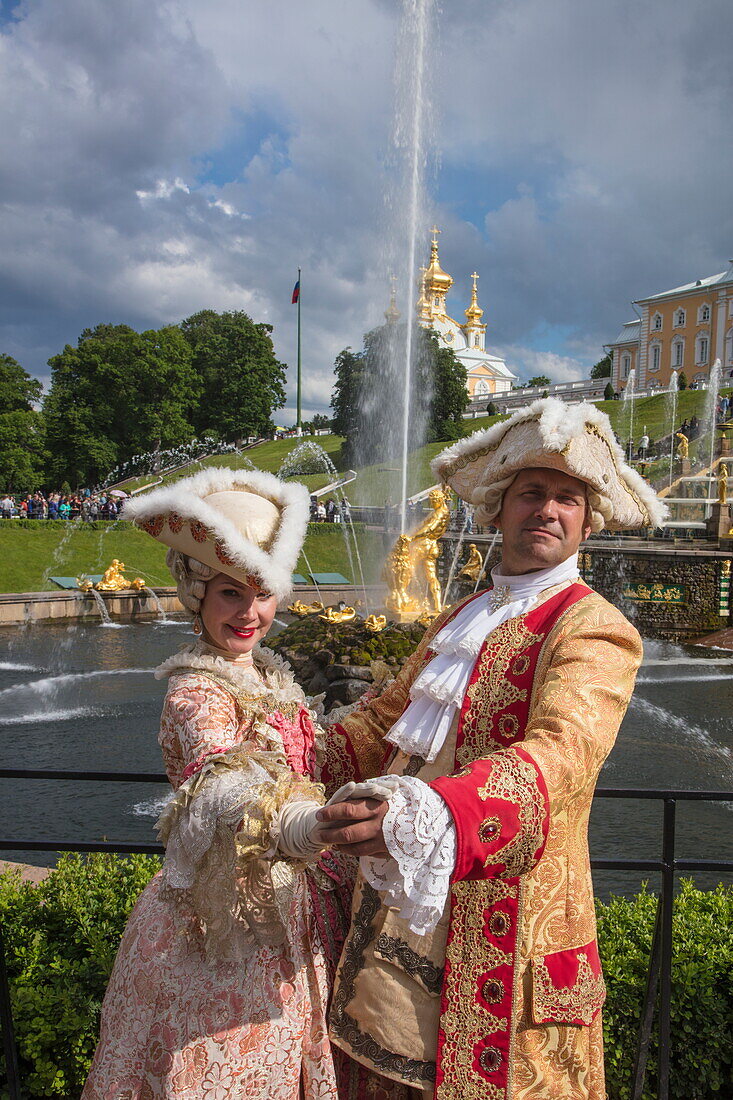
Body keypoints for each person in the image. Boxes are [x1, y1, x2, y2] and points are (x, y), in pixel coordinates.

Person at [316, 398, 667, 1099]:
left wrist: (438, 812)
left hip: (509, 939)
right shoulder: (461, 614)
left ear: (587, 522)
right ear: (498, 511)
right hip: (403, 919)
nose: (546, 509)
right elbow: (382, 726)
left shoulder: (593, 627)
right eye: (530, 493)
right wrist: (276, 748)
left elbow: (563, 752)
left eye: (566, 498)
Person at [82, 468, 378, 1100]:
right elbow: (224, 784)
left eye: (262, 594)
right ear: (197, 594)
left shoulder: (269, 674)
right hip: (223, 923)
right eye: (230, 595)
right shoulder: (194, 691)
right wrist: (304, 824)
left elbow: (310, 753)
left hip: (293, 906)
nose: (250, 613)